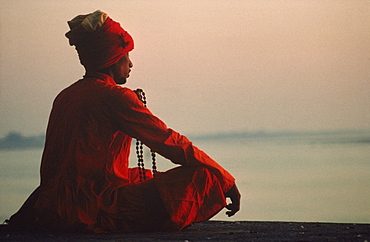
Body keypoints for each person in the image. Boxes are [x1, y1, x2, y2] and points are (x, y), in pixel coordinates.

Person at [8, 10, 240, 233]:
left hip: (53, 204)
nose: (130, 64)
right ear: (112, 59)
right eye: (126, 56)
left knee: (142, 174)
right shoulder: (115, 97)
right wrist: (225, 179)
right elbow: (170, 142)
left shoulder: (66, 95)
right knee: (206, 177)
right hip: (90, 209)